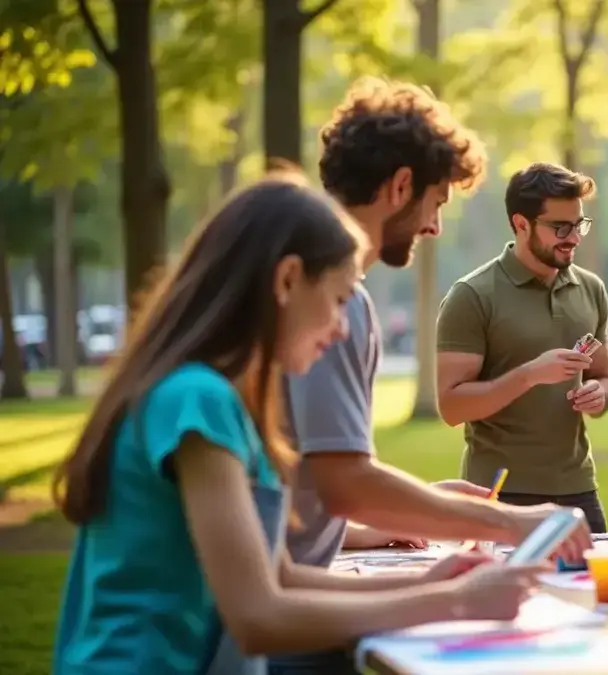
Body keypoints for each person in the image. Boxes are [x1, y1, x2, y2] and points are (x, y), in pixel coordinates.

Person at [51, 174, 548, 675]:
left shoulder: (224, 399)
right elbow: (259, 616)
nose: (341, 327)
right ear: (287, 280)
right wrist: (456, 602)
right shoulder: (197, 401)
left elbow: (282, 573)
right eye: (337, 300)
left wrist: (434, 582)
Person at [273, 81, 590, 674]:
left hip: (301, 594)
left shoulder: (326, 297)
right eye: (437, 202)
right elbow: (345, 481)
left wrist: (403, 517)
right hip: (285, 629)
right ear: (399, 187)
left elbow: (303, 477)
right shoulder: (330, 304)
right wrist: (517, 520)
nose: (436, 227)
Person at [436, 162, 608, 535]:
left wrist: (600, 394)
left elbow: (602, 376)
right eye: (560, 227)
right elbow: (451, 407)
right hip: (498, 492)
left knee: (594, 592)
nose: (574, 238)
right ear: (521, 223)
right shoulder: (471, 296)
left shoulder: (591, 289)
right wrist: (529, 375)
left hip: (578, 490)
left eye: (578, 225)